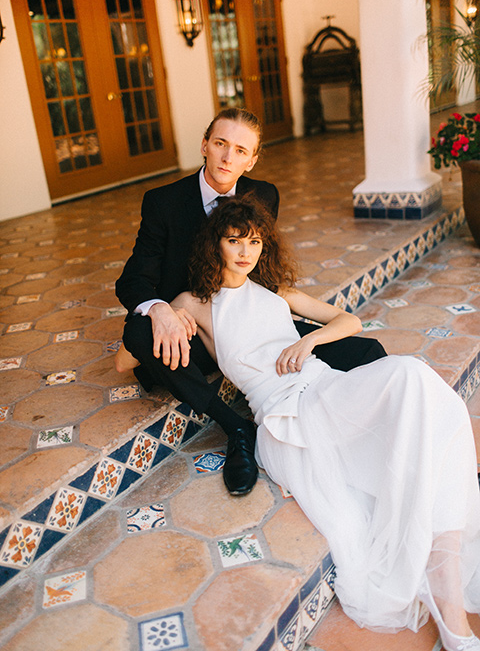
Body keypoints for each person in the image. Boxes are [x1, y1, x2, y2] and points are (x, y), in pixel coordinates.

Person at [118, 195, 480, 650]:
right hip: (284, 417)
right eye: (234, 241)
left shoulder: (275, 292)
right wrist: (160, 312)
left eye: (254, 241)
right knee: (417, 422)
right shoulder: (196, 303)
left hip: (325, 385)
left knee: (420, 385)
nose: (246, 252)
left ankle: (450, 608)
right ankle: (452, 619)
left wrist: (311, 343)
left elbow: (349, 319)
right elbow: (122, 360)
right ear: (216, 245)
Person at [115, 108, 386, 497]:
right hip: (189, 325)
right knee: (139, 332)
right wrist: (162, 310)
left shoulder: (263, 194)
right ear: (205, 145)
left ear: (252, 158)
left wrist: (292, 326)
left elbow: (257, 268)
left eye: (241, 150)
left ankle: (361, 424)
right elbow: (133, 280)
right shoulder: (163, 202)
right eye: (221, 144)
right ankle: (236, 427)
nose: (228, 158)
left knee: (367, 351)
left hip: (249, 322)